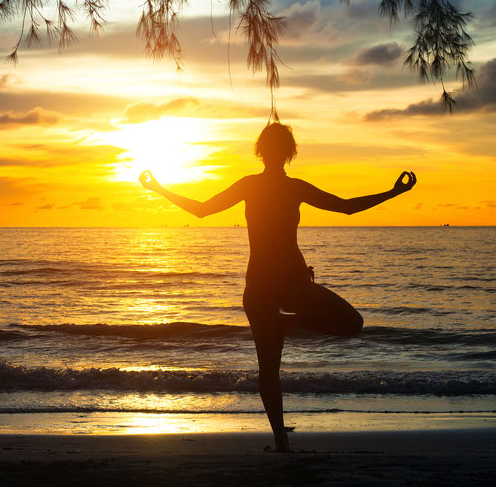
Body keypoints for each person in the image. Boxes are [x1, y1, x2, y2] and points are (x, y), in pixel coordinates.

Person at [139, 122, 416, 452]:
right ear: (289, 152)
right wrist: (393, 192)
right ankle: (287, 341)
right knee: (348, 324)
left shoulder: (253, 186)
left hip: (260, 286)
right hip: (287, 282)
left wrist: (159, 188)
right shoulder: (292, 187)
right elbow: (347, 206)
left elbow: (200, 210)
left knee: (269, 368)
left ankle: (281, 440)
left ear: (262, 151)